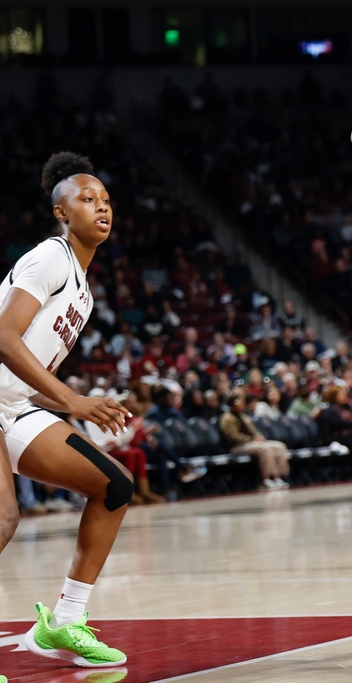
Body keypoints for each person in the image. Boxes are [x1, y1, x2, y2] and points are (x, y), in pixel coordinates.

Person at [0, 152, 134, 667]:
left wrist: (73, 407)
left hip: (14, 406)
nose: (101, 208)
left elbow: (24, 371)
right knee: (4, 516)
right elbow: (5, 339)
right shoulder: (51, 257)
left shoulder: (84, 294)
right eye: (87, 199)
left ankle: (64, 622)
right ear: (61, 212)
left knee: (115, 486)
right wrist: (74, 401)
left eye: (105, 201)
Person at [218, 391, 290, 489]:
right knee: (264, 449)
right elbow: (233, 437)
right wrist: (252, 439)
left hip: (251, 443)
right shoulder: (227, 418)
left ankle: (278, 477)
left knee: (279, 446)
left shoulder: (243, 416)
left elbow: (254, 431)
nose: (243, 404)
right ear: (233, 403)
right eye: (240, 402)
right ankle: (266, 480)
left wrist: (260, 438)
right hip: (236, 446)